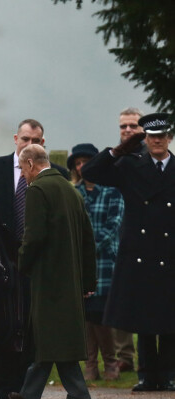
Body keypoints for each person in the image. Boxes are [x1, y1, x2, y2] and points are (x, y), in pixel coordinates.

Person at [0, 119, 69, 399]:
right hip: (2, 260)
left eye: (35, 140)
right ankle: (2, 388)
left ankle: (26, 390)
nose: (29, 144)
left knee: (35, 323)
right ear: (15, 139)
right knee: (3, 323)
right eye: (24, 138)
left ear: (43, 143)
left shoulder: (56, 174)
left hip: (39, 261)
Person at [82, 112, 175, 391]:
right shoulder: (130, 164)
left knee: (170, 317)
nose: (157, 142)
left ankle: (169, 374)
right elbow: (90, 172)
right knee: (145, 316)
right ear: (144, 139)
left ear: (169, 138)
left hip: (170, 250)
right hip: (140, 251)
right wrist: (116, 151)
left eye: (162, 137)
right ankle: (146, 375)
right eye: (152, 137)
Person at [8, 144, 96, 399]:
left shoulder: (38, 190)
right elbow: (87, 239)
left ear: (32, 164)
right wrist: (88, 281)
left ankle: (73, 395)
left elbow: (33, 237)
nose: (23, 176)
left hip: (48, 277)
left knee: (50, 335)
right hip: (70, 277)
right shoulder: (71, 191)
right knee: (55, 336)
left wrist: (21, 264)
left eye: (23, 169)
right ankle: (34, 395)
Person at [68, 143, 124, 381]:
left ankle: (111, 363)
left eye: (86, 162)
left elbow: (114, 224)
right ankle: (90, 364)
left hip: (105, 262)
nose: (82, 167)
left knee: (102, 312)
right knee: (86, 313)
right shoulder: (73, 192)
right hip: (80, 262)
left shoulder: (112, 191)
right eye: (78, 163)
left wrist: (90, 247)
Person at [113, 107, 145, 373]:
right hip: (119, 236)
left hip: (149, 240)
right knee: (122, 297)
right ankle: (124, 355)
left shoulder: (153, 156)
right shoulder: (116, 159)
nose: (127, 131)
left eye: (133, 126)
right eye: (123, 126)